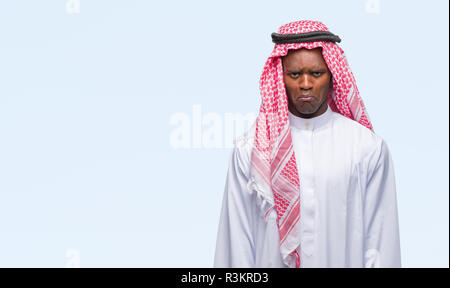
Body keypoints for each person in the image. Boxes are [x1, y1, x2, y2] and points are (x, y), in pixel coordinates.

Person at [214, 20, 401, 268]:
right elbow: (236, 245)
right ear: (280, 79)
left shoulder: (366, 148)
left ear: (332, 75)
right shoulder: (251, 151)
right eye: (294, 74)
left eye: (316, 73)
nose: (305, 84)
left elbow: (380, 244)